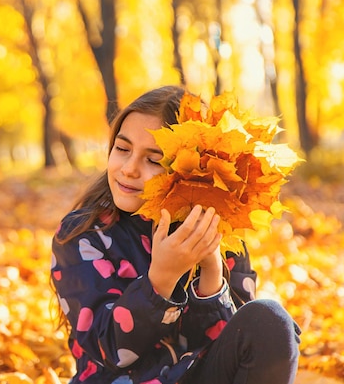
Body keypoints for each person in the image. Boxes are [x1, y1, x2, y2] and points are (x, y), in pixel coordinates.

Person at [50, 85, 301, 384]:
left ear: (190, 171)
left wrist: (211, 272)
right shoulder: (84, 235)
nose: (129, 169)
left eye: (153, 159)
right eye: (123, 148)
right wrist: (162, 278)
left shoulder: (222, 236)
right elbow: (111, 350)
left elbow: (236, 349)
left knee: (268, 320)